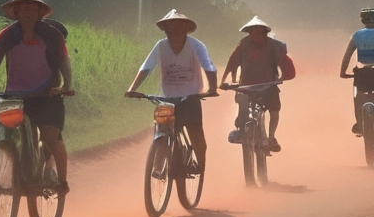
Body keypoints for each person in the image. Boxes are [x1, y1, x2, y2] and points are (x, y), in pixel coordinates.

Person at [0, 0, 73, 194]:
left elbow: (64, 62)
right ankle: (18, 165)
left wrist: (67, 85)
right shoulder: (9, 35)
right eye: (23, 9)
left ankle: (62, 182)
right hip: (15, 95)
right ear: (16, 12)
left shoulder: (51, 34)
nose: (28, 13)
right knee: (7, 129)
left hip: (48, 96)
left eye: (32, 9)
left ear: (40, 13)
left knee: (50, 136)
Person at [125, 9, 218, 173]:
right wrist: (133, 88)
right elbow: (147, 68)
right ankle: (158, 165)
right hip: (168, 97)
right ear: (165, 30)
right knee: (162, 129)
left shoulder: (196, 45)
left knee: (195, 130)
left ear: (185, 29)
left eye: (179, 27)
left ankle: (200, 164)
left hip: (191, 96)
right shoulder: (161, 46)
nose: (174, 30)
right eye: (170, 27)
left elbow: (208, 66)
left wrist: (212, 87)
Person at [221, 16, 293, 152]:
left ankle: (271, 137)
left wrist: (285, 76)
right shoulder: (244, 44)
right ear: (249, 33)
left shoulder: (273, 45)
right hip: (246, 86)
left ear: (265, 33)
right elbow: (233, 62)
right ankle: (241, 130)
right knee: (242, 105)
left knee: (274, 110)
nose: (257, 35)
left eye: (260, 32)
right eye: (254, 32)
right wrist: (224, 81)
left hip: (268, 85)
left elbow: (286, 64)